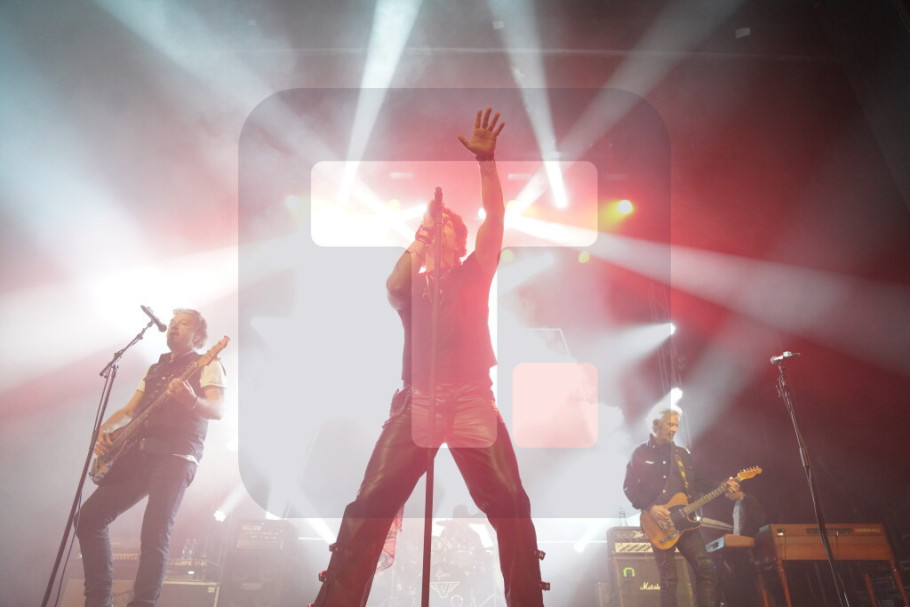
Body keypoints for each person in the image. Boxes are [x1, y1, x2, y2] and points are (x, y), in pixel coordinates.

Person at [309, 108, 547, 607]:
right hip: (419, 400)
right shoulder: (413, 287)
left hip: (471, 398)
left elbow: (496, 219)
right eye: (430, 229)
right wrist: (420, 233)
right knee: (372, 502)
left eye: (443, 229)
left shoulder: (473, 272)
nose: (435, 232)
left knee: (509, 502)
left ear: (458, 242)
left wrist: (486, 164)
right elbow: (392, 285)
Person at [75, 309, 226, 607]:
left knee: (155, 533)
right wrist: (105, 431)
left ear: (197, 335)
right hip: (142, 452)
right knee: (89, 518)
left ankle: (143, 603)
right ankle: (98, 600)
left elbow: (218, 410)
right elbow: (131, 410)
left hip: (177, 455)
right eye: (172, 323)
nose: (173, 327)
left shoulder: (208, 363)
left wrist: (191, 400)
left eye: (183, 324)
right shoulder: (155, 368)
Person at [623, 406, 739, 607]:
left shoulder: (682, 454)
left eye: (676, 425)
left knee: (706, 570)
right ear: (656, 424)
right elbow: (629, 487)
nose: (674, 429)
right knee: (669, 581)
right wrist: (651, 508)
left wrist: (723, 486)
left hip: (687, 523)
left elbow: (699, 482)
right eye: (670, 424)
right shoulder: (640, 453)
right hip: (659, 524)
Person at [719, 488, 767, 607]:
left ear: (736, 489)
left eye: (728, 492)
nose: (726, 496)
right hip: (737, 547)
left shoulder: (750, 501)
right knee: (737, 581)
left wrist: (745, 537)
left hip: (750, 546)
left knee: (749, 581)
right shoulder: (732, 506)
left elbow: (756, 521)